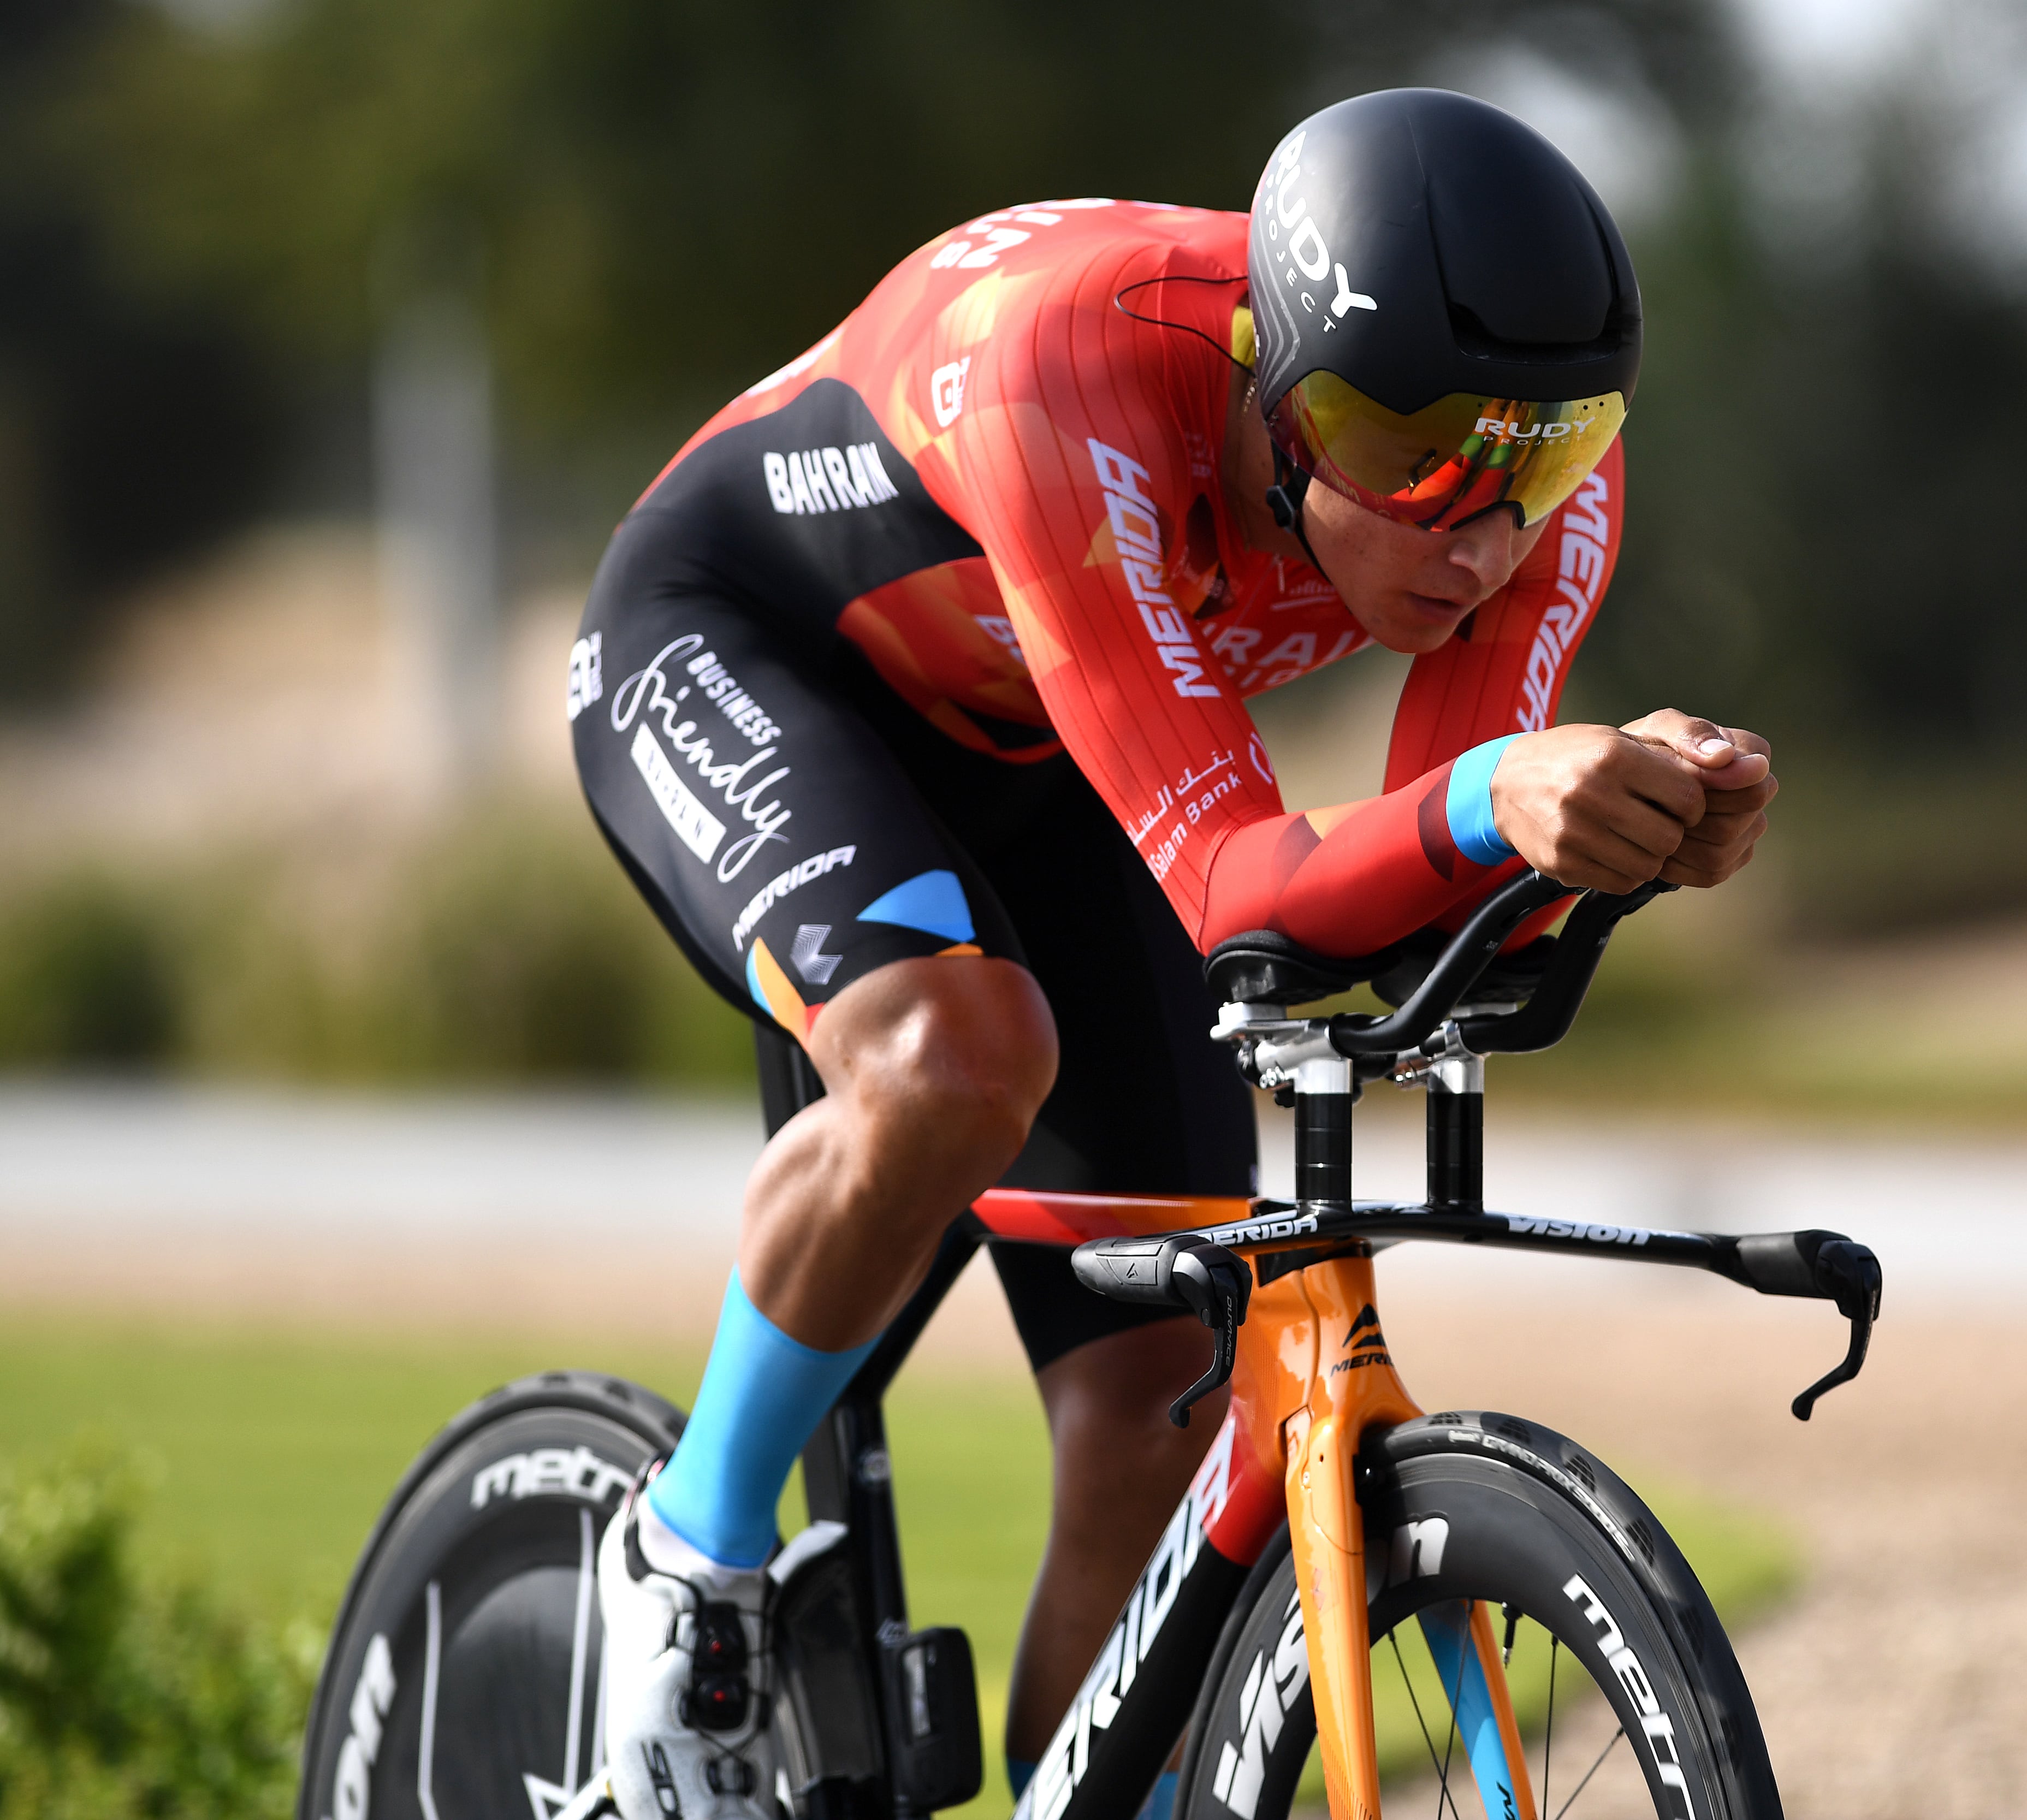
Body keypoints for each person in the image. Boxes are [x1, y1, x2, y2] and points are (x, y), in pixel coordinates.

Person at [567, 86, 1775, 1818]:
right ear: (1282, 394)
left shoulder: (1527, 480)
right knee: (953, 1058)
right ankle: (688, 1560)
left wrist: (1621, 843)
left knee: (1161, 1396)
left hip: (1053, 741)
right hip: (749, 646)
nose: (1483, 531)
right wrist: (1501, 798)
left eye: (1546, 455)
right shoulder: (1070, 371)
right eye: (1418, 454)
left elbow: (1426, 897)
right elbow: (1239, 887)